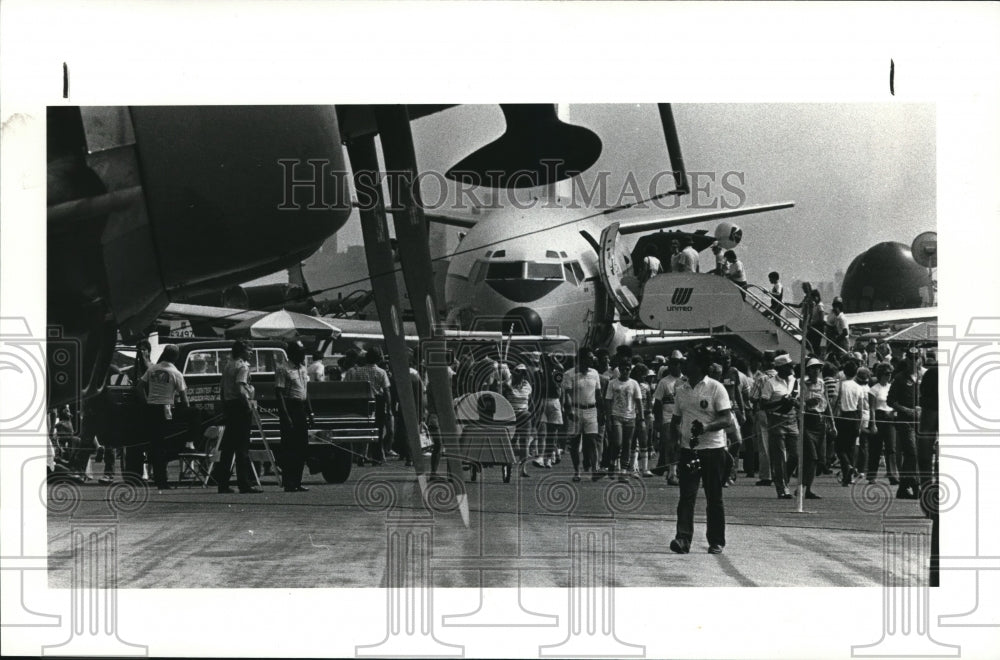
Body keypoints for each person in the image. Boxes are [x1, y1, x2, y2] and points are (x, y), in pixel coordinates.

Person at [669, 346, 732, 555]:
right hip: (689, 451)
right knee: (686, 496)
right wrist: (674, 447)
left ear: (699, 366)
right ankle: (682, 539)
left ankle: (716, 540)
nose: (685, 364)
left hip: (713, 450)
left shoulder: (716, 388)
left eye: (689, 361)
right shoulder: (681, 390)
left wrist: (706, 427)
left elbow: (726, 419)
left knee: (714, 496)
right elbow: (676, 421)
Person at [140, 344, 189, 491]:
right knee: (167, 444)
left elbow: (139, 387)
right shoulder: (176, 373)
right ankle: (163, 479)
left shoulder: (152, 369)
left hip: (151, 409)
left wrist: (146, 401)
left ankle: (158, 477)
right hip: (166, 409)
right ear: (175, 357)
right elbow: (184, 397)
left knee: (155, 444)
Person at [213, 340, 260, 494]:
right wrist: (247, 405)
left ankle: (223, 483)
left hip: (229, 405)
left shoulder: (228, 365)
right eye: (249, 350)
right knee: (242, 446)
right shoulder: (242, 366)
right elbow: (240, 388)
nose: (251, 352)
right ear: (242, 351)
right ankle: (244, 483)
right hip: (240, 407)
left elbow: (221, 388)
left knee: (228, 447)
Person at [759, 354, 799, 499]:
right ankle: (782, 488)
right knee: (779, 456)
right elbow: (763, 404)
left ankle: (783, 479)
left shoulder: (795, 381)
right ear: (781, 368)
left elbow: (798, 400)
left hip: (792, 419)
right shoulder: (770, 383)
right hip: (776, 420)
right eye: (789, 365)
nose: (792, 367)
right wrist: (781, 402)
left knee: (795, 455)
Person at [562, 347, 604, 482]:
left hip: (591, 410)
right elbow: (567, 394)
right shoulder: (569, 375)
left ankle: (594, 469)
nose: (592, 360)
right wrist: (569, 411)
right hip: (576, 409)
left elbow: (598, 394)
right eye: (589, 357)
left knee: (592, 440)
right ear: (582, 359)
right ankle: (577, 471)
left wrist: (601, 412)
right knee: (574, 443)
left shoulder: (595, 374)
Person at [346, 347, 393, 465]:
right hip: (378, 401)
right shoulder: (381, 372)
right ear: (378, 359)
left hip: (362, 402)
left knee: (363, 429)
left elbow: (353, 387)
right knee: (378, 430)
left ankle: (361, 455)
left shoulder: (358, 371)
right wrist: (389, 408)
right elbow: (386, 391)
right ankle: (376, 457)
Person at [276, 340, 312, 492]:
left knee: (301, 447)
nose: (303, 355)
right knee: (289, 447)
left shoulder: (303, 369)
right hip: (290, 408)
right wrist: (285, 415)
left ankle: (297, 481)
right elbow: (279, 393)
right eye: (300, 352)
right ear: (292, 354)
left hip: (301, 409)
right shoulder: (283, 369)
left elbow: (305, 390)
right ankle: (289, 482)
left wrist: (310, 411)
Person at [888, 349, 923, 499]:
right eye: (911, 358)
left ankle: (903, 487)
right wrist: (906, 410)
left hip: (920, 421)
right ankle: (915, 486)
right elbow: (891, 401)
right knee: (912, 453)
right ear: (907, 359)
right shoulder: (900, 378)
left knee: (915, 455)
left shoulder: (923, 376)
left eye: (916, 358)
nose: (914, 361)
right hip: (905, 420)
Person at [801, 357, 834, 499]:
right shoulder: (802, 384)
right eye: (813, 368)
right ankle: (803, 487)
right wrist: (808, 403)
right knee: (811, 457)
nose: (816, 371)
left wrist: (832, 423)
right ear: (808, 370)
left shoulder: (822, 384)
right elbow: (799, 402)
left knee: (821, 458)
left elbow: (827, 404)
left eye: (818, 368)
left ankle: (808, 487)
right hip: (808, 421)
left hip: (820, 422)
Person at [604, 362, 643, 482]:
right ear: (619, 369)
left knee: (627, 444)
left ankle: (623, 472)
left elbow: (638, 401)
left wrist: (641, 419)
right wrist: (608, 418)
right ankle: (612, 461)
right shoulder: (612, 383)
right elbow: (608, 401)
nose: (625, 371)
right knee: (617, 442)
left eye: (628, 369)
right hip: (616, 416)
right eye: (623, 368)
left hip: (630, 417)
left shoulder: (634, 383)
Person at [652, 350, 686, 485]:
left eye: (678, 363)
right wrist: (658, 421)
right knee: (672, 445)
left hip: (684, 418)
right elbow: (658, 403)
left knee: (682, 446)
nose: (675, 366)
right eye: (673, 363)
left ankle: (677, 471)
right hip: (668, 418)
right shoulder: (664, 382)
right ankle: (672, 473)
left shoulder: (686, 380)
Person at [831, 361, 866, 486]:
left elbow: (834, 402)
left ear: (844, 372)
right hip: (855, 417)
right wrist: (860, 423)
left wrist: (831, 417)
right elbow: (860, 407)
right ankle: (848, 476)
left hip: (842, 417)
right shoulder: (858, 387)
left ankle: (847, 466)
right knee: (850, 447)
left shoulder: (839, 385)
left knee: (839, 447)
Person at [867, 362, 900, 485]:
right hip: (879, 417)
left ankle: (892, 475)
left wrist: (894, 412)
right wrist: (873, 424)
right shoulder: (873, 389)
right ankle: (871, 476)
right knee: (876, 448)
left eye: (890, 373)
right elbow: (872, 408)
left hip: (890, 418)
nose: (889, 376)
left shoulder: (891, 387)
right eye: (887, 374)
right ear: (881, 374)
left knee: (891, 448)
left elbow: (895, 401)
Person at [748, 351, 776, 486]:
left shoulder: (761, 378)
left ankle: (766, 476)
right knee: (779, 445)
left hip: (763, 412)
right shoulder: (780, 377)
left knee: (764, 445)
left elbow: (752, 396)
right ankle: (779, 473)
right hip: (779, 413)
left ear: (764, 362)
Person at [507, 364, 534, 477]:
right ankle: (508, 467)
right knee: (511, 442)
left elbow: (529, 400)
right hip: (510, 415)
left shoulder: (527, 385)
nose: (521, 375)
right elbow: (505, 387)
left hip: (524, 415)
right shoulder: (508, 384)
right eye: (519, 372)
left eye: (523, 373)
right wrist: (510, 379)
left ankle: (523, 469)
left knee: (524, 443)